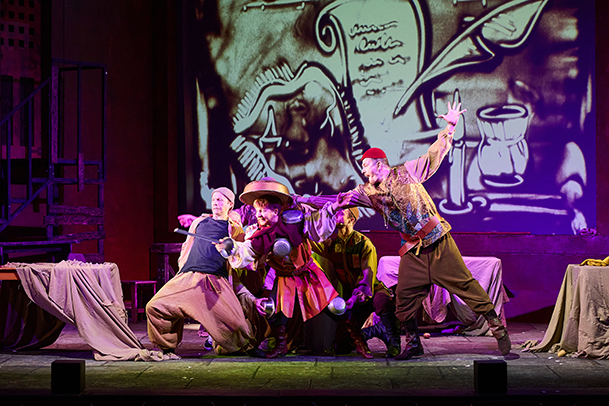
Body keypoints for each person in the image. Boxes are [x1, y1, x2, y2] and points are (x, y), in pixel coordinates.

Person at [300, 101, 511, 360]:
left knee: (466, 286)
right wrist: (305, 200)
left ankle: (497, 328)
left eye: (365, 166)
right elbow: (338, 200)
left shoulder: (407, 172)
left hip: (438, 242)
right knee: (404, 298)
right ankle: (413, 344)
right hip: (413, 251)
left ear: (379, 164)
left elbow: (433, 156)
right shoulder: (367, 192)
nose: (363, 172)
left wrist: (450, 128)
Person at [218, 178, 344, 358]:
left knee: (334, 307)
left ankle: (356, 338)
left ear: (276, 211)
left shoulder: (295, 222)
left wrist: (334, 207)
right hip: (285, 277)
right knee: (274, 311)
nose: (259, 215)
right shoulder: (258, 234)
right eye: (257, 211)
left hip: (308, 273)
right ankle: (280, 346)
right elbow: (247, 250)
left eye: (263, 210)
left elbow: (318, 224)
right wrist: (231, 248)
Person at [146, 187, 256, 357]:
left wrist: (230, 246)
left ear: (230, 204)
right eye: (214, 199)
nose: (215, 203)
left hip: (214, 280)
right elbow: (186, 247)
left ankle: (234, 346)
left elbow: (241, 253)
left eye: (220, 200)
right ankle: (167, 347)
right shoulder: (199, 223)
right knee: (155, 307)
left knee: (237, 325)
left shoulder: (234, 228)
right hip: (188, 276)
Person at [307, 207, 384, 358]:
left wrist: (355, 297)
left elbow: (367, 277)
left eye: (341, 213)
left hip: (368, 294)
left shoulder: (364, 244)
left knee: (383, 302)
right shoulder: (333, 244)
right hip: (351, 298)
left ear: (351, 220)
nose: (336, 215)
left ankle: (378, 331)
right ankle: (363, 335)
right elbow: (312, 242)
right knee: (341, 347)